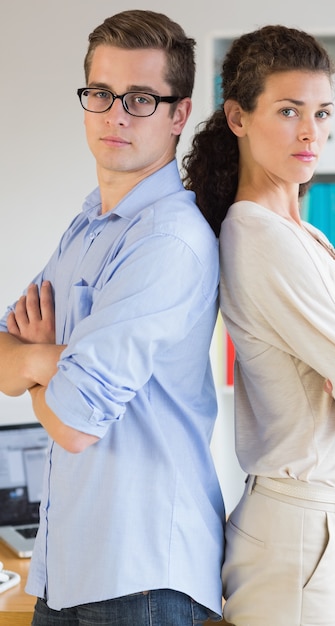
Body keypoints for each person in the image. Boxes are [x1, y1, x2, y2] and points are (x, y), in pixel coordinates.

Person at [0, 10, 224, 626]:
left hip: (143, 575)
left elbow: (74, 423)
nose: (116, 114)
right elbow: (1, 353)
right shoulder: (88, 227)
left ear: (180, 114)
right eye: (101, 93)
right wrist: (53, 365)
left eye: (142, 98)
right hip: (73, 567)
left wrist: (41, 361)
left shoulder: (169, 241)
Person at [183, 24, 335, 626]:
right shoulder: (257, 234)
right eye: (288, 111)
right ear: (238, 117)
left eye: (322, 111)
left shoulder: (301, 234)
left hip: (318, 527)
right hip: (302, 531)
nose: (311, 132)